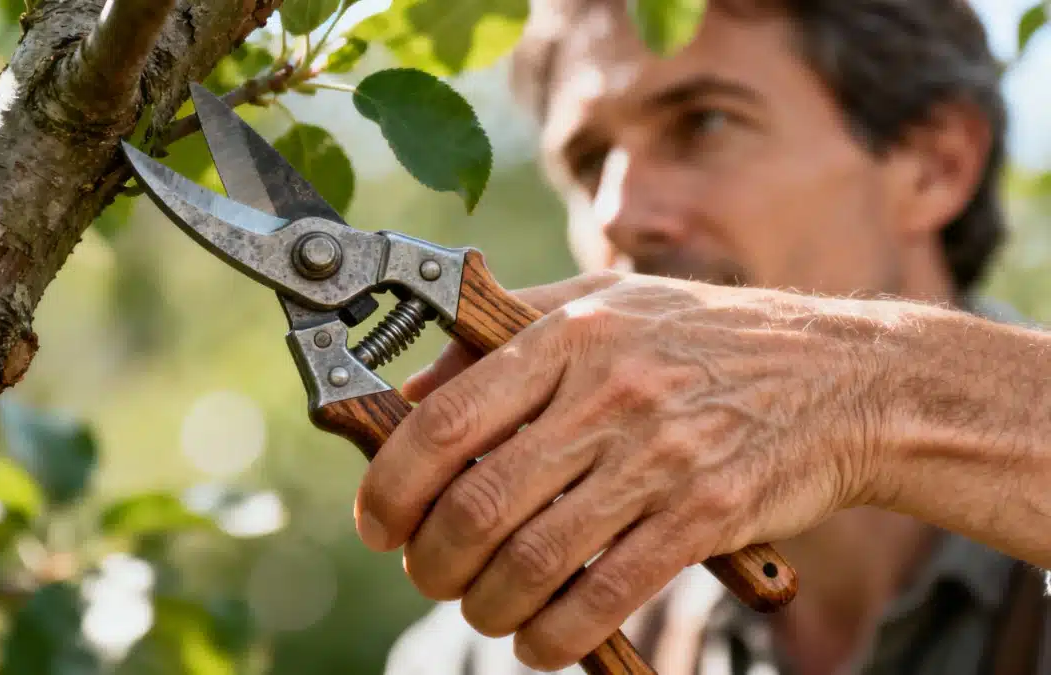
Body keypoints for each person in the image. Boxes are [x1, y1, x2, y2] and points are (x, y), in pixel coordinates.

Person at [364, 0, 1051, 674]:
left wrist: (862, 394)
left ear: (936, 164)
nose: (617, 213)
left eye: (704, 122)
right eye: (591, 161)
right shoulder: (477, 660)